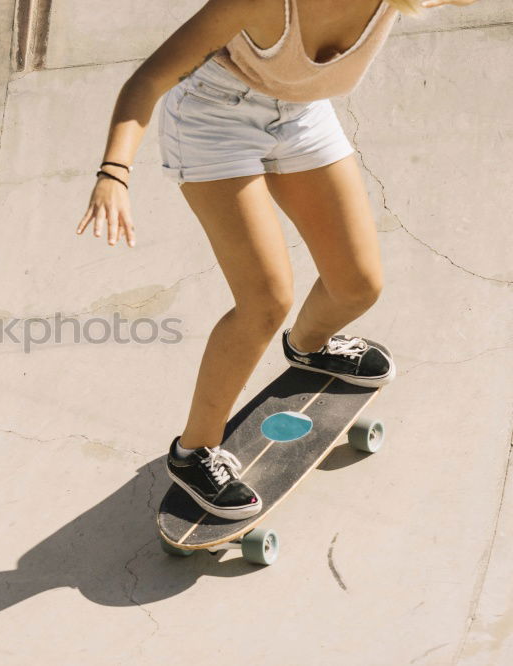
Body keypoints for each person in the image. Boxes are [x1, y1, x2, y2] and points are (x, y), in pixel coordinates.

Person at [74, 0, 478, 520]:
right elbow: (150, 78)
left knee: (357, 286)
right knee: (265, 300)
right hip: (213, 119)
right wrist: (113, 172)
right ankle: (193, 453)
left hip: (303, 114)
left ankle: (309, 346)